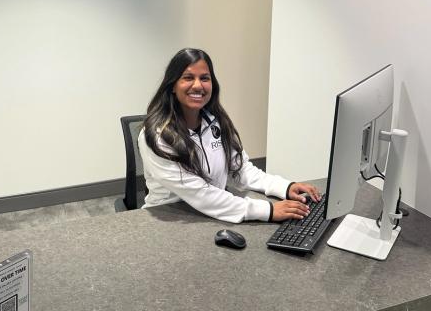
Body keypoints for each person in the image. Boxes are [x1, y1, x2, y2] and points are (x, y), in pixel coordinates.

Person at [138, 48, 321, 223]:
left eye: (204, 78)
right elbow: (199, 193)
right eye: (187, 78)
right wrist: (268, 210)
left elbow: (240, 169)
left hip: (214, 212)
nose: (197, 85)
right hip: (169, 218)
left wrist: (284, 187)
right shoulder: (156, 136)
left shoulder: (215, 122)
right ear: (172, 86)